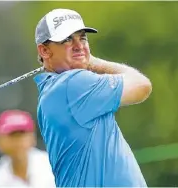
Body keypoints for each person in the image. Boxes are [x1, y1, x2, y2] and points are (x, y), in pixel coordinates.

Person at [33, 8, 152, 187]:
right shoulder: (73, 84)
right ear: (44, 51)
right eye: (67, 39)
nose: (79, 45)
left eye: (82, 37)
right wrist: (94, 62)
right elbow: (142, 86)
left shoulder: (52, 91)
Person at [0, 110, 55, 187]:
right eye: (12, 136)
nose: (18, 142)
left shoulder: (54, 166)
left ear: (33, 138)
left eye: (22, 134)